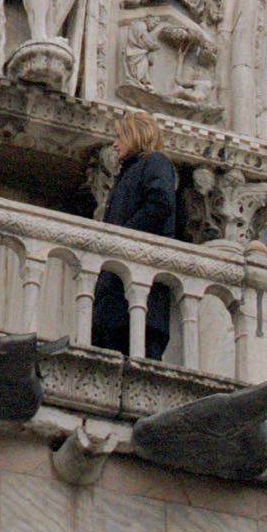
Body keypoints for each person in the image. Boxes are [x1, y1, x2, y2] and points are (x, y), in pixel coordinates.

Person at [90, 110, 178, 360]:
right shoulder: (128, 175)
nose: (115, 144)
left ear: (137, 136)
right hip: (115, 301)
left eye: (120, 137)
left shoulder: (155, 163)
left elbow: (160, 205)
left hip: (138, 298)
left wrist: (121, 238)